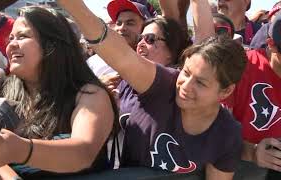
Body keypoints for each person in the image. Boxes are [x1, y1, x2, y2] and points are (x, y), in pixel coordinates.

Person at [57, 0, 248, 179]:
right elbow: (118, 53)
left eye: (201, 83)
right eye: (186, 73)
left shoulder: (227, 134)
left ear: (225, 92)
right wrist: (75, 7)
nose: (185, 86)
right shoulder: (163, 84)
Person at [0, 6, 118, 179]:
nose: (11, 45)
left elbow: (83, 153)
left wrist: (20, 149)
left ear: (52, 43)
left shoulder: (90, 95)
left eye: (22, 36)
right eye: (11, 38)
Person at [222, 13, 281, 180]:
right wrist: (252, 151)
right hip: (238, 168)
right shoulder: (240, 67)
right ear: (272, 45)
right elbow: (212, 133)